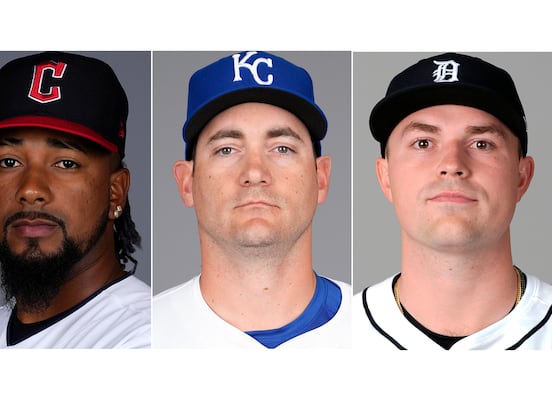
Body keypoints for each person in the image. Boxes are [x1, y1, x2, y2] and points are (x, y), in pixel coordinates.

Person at [352, 52, 552, 350]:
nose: (452, 164)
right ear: (386, 177)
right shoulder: (336, 338)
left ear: (522, 177)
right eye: (423, 143)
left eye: (482, 143)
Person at [152, 51, 352, 348]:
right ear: (186, 184)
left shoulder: (376, 334)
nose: (255, 172)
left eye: (282, 148)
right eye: (227, 149)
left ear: (321, 177)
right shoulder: (143, 336)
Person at [0, 51, 151, 348]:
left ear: (115, 191)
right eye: (9, 161)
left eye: (65, 163)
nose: (30, 189)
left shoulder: (148, 338)